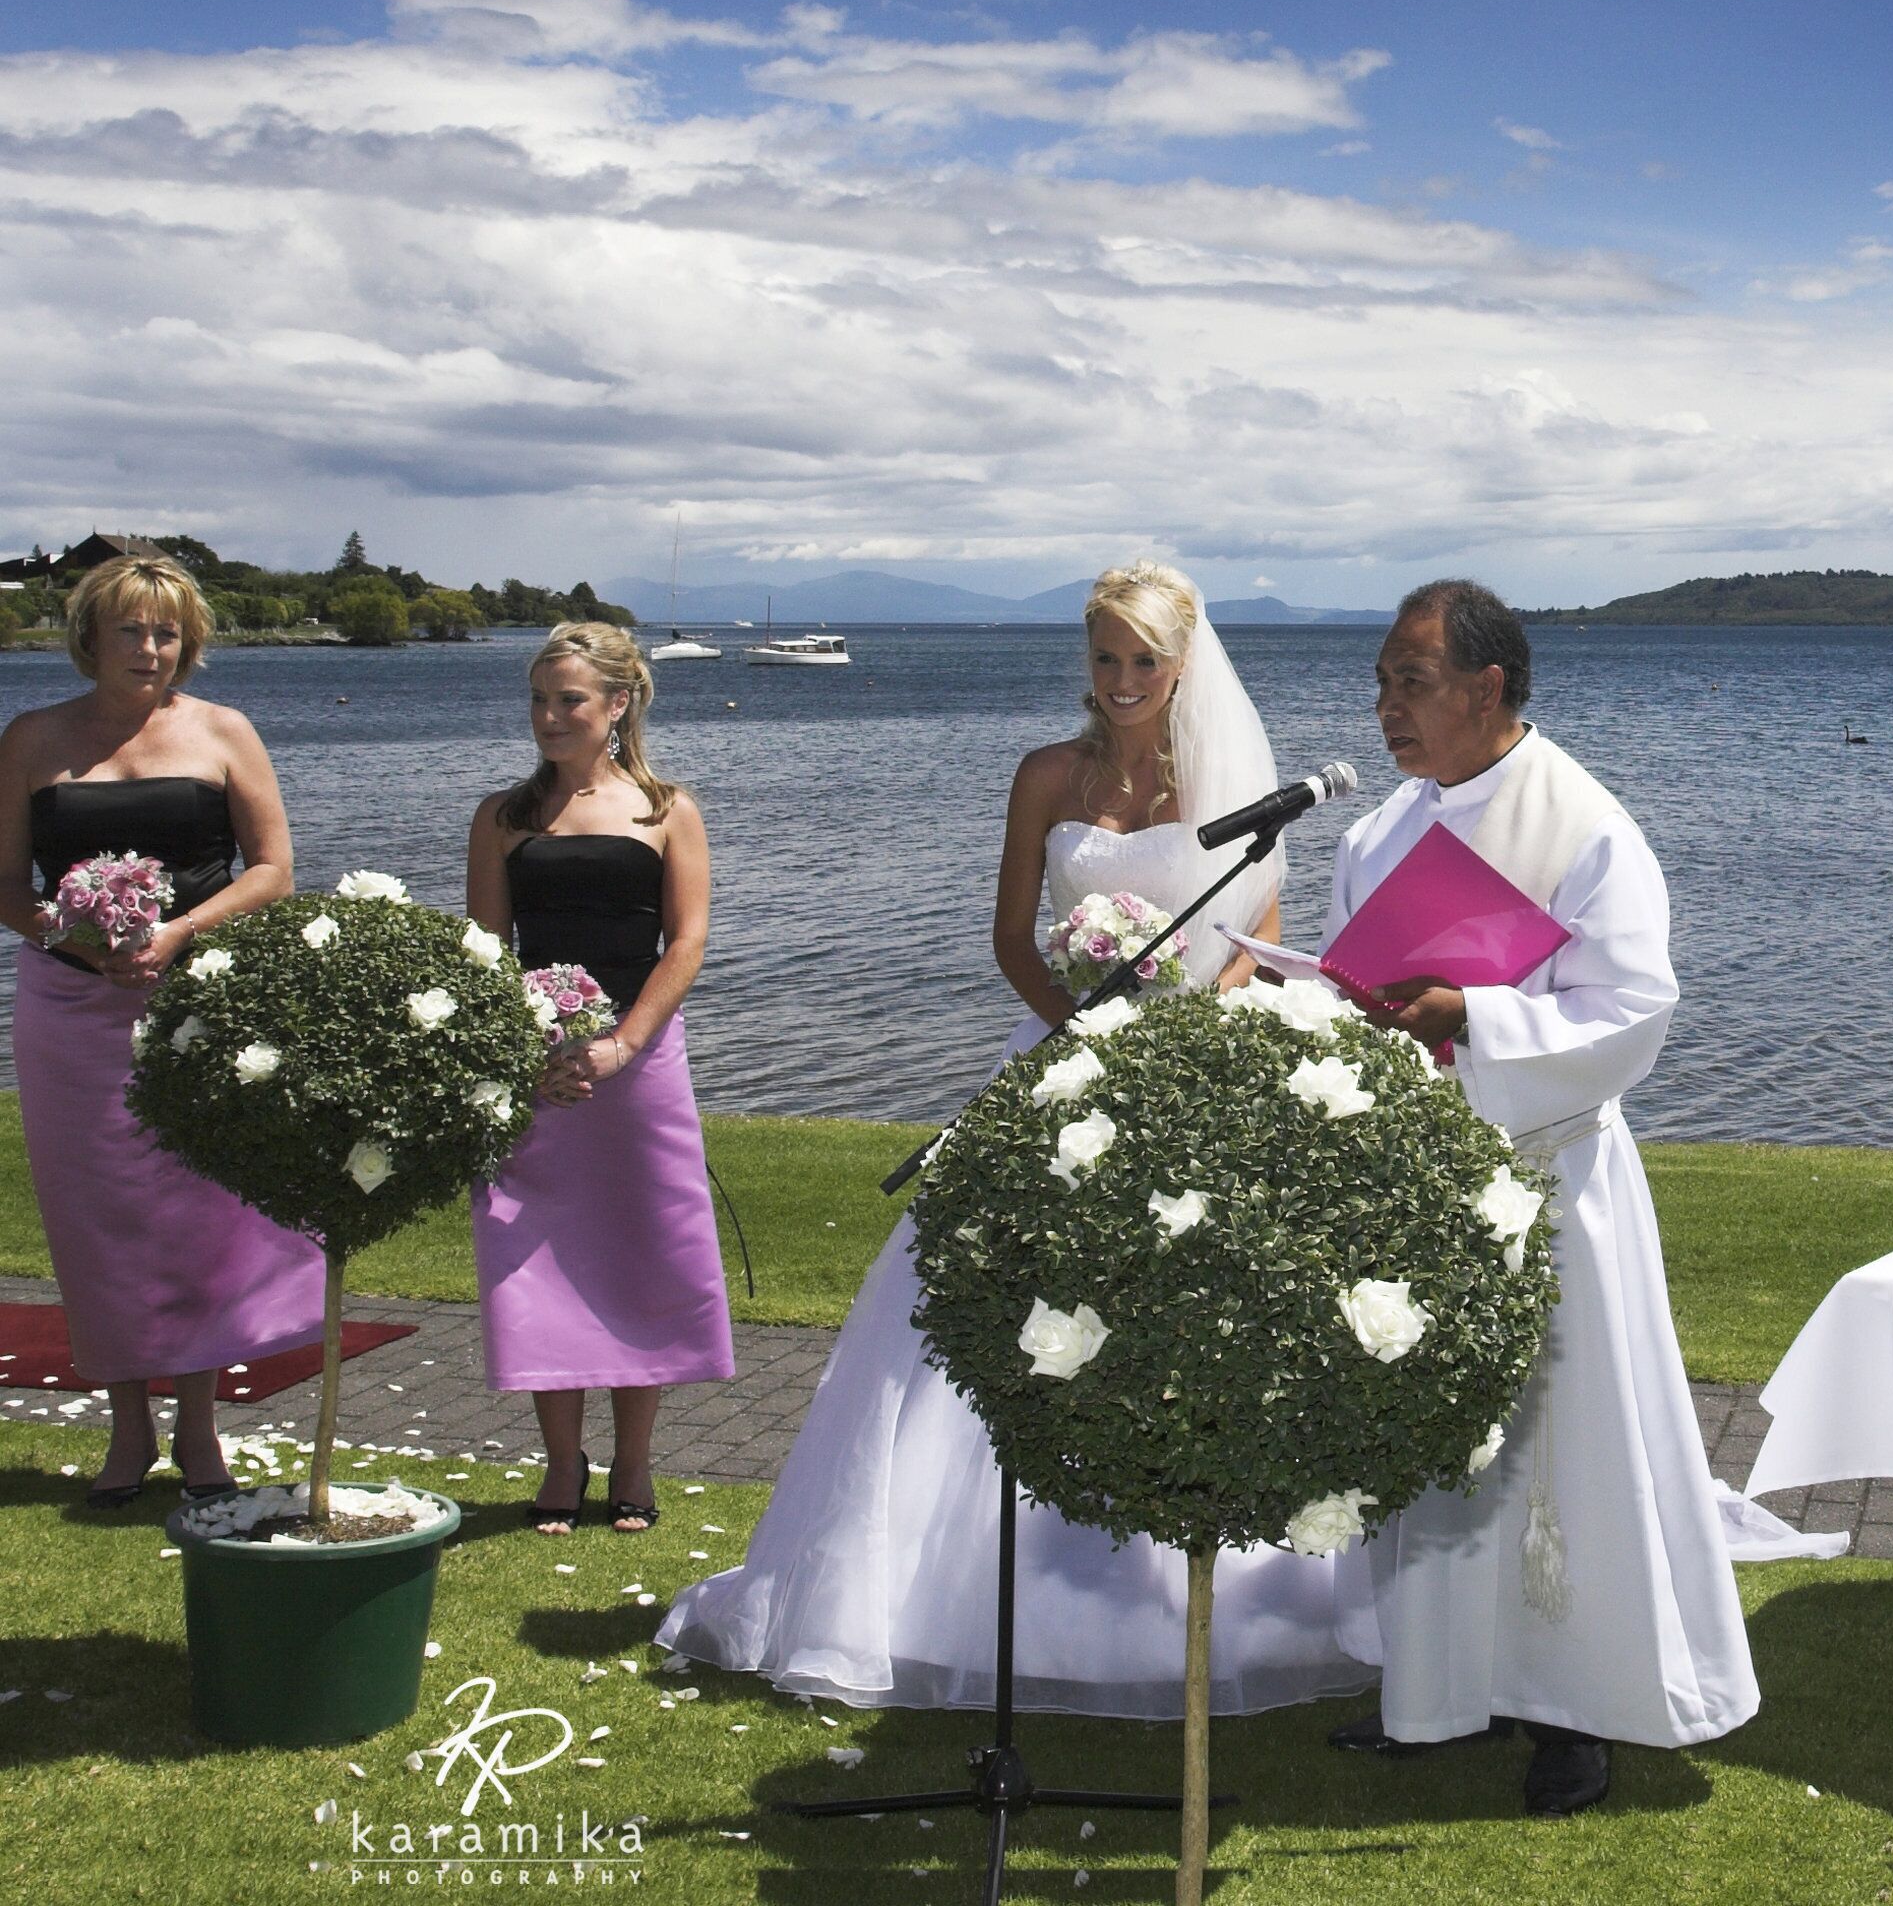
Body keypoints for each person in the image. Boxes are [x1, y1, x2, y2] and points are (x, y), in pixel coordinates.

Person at [659, 561, 1378, 1716]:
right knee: (992, 1313)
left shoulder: (1228, 780)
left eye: (1146, 659)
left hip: (1190, 1076)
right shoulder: (1047, 774)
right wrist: (1083, 1031)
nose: (1126, 679)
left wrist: (1186, 1034)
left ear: (1183, 662)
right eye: (1106, 656)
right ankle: (933, 1603)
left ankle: (1202, 1597)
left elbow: (1259, 935)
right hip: (1059, 1060)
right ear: (1085, 660)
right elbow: (1010, 935)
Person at [1322, 579, 1757, 1818]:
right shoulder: (1376, 833)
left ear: (1487, 688)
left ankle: (1579, 1707)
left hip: (1549, 1173)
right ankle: (1433, 1687)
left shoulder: (1585, 824)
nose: (1388, 706)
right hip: (1421, 1176)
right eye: (1384, 680)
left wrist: (1483, 1016)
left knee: (1557, 1443)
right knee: (1424, 1435)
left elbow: (1636, 1006)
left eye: (1412, 679)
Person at [0, 553, 322, 1505]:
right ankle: (126, 1428)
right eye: (133, 630)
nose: (150, 649)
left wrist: (174, 934)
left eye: (168, 632)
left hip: (203, 1000)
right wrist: (76, 935)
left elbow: (272, 871)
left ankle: (200, 1431)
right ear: (90, 637)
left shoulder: (225, 732)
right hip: (70, 1011)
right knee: (99, 1217)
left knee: (199, 1213)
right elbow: (3, 886)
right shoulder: (29, 739)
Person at [467, 621, 733, 1534]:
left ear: (618, 704)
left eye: (569, 699)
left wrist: (624, 1043)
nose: (549, 716)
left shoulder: (667, 811)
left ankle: (633, 1462)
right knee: (534, 1256)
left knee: (639, 1253)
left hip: (640, 1063)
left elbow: (687, 940)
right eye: (539, 700)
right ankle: (558, 1463)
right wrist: (525, 1050)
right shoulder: (503, 818)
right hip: (535, 1074)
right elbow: (484, 951)